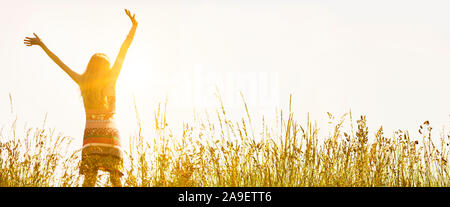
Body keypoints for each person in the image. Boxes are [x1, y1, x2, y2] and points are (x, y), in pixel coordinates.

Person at [24, 9, 138, 187]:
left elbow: (60, 63)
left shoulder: (84, 82)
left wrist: (42, 45)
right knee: (116, 179)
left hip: (91, 136)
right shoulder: (111, 79)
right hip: (111, 135)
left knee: (90, 179)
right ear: (106, 67)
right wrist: (134, 27)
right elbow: (123, 50)